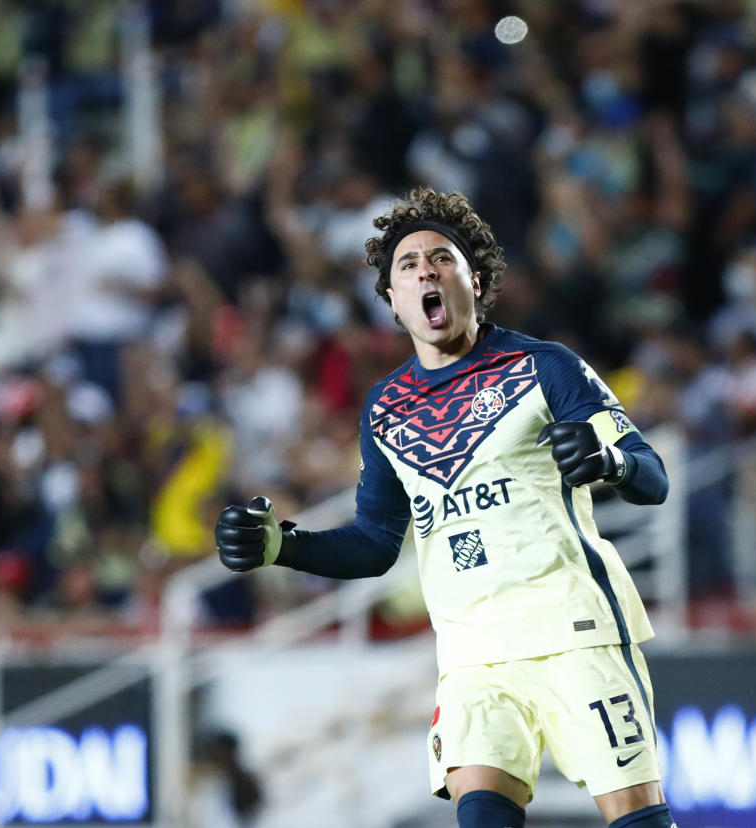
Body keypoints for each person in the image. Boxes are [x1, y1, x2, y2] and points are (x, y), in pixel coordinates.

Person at [213, 188, 676, 828]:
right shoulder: (385, 408)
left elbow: (652, 478)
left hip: (573, 632)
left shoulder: (545, 367)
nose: (425, 271)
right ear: (392, 300)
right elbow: (375, 544)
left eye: (441, 259)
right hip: (471, 656)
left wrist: (609, 461)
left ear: (475, 281)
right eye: (408, 266)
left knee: (638, 821)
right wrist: (282, 546)